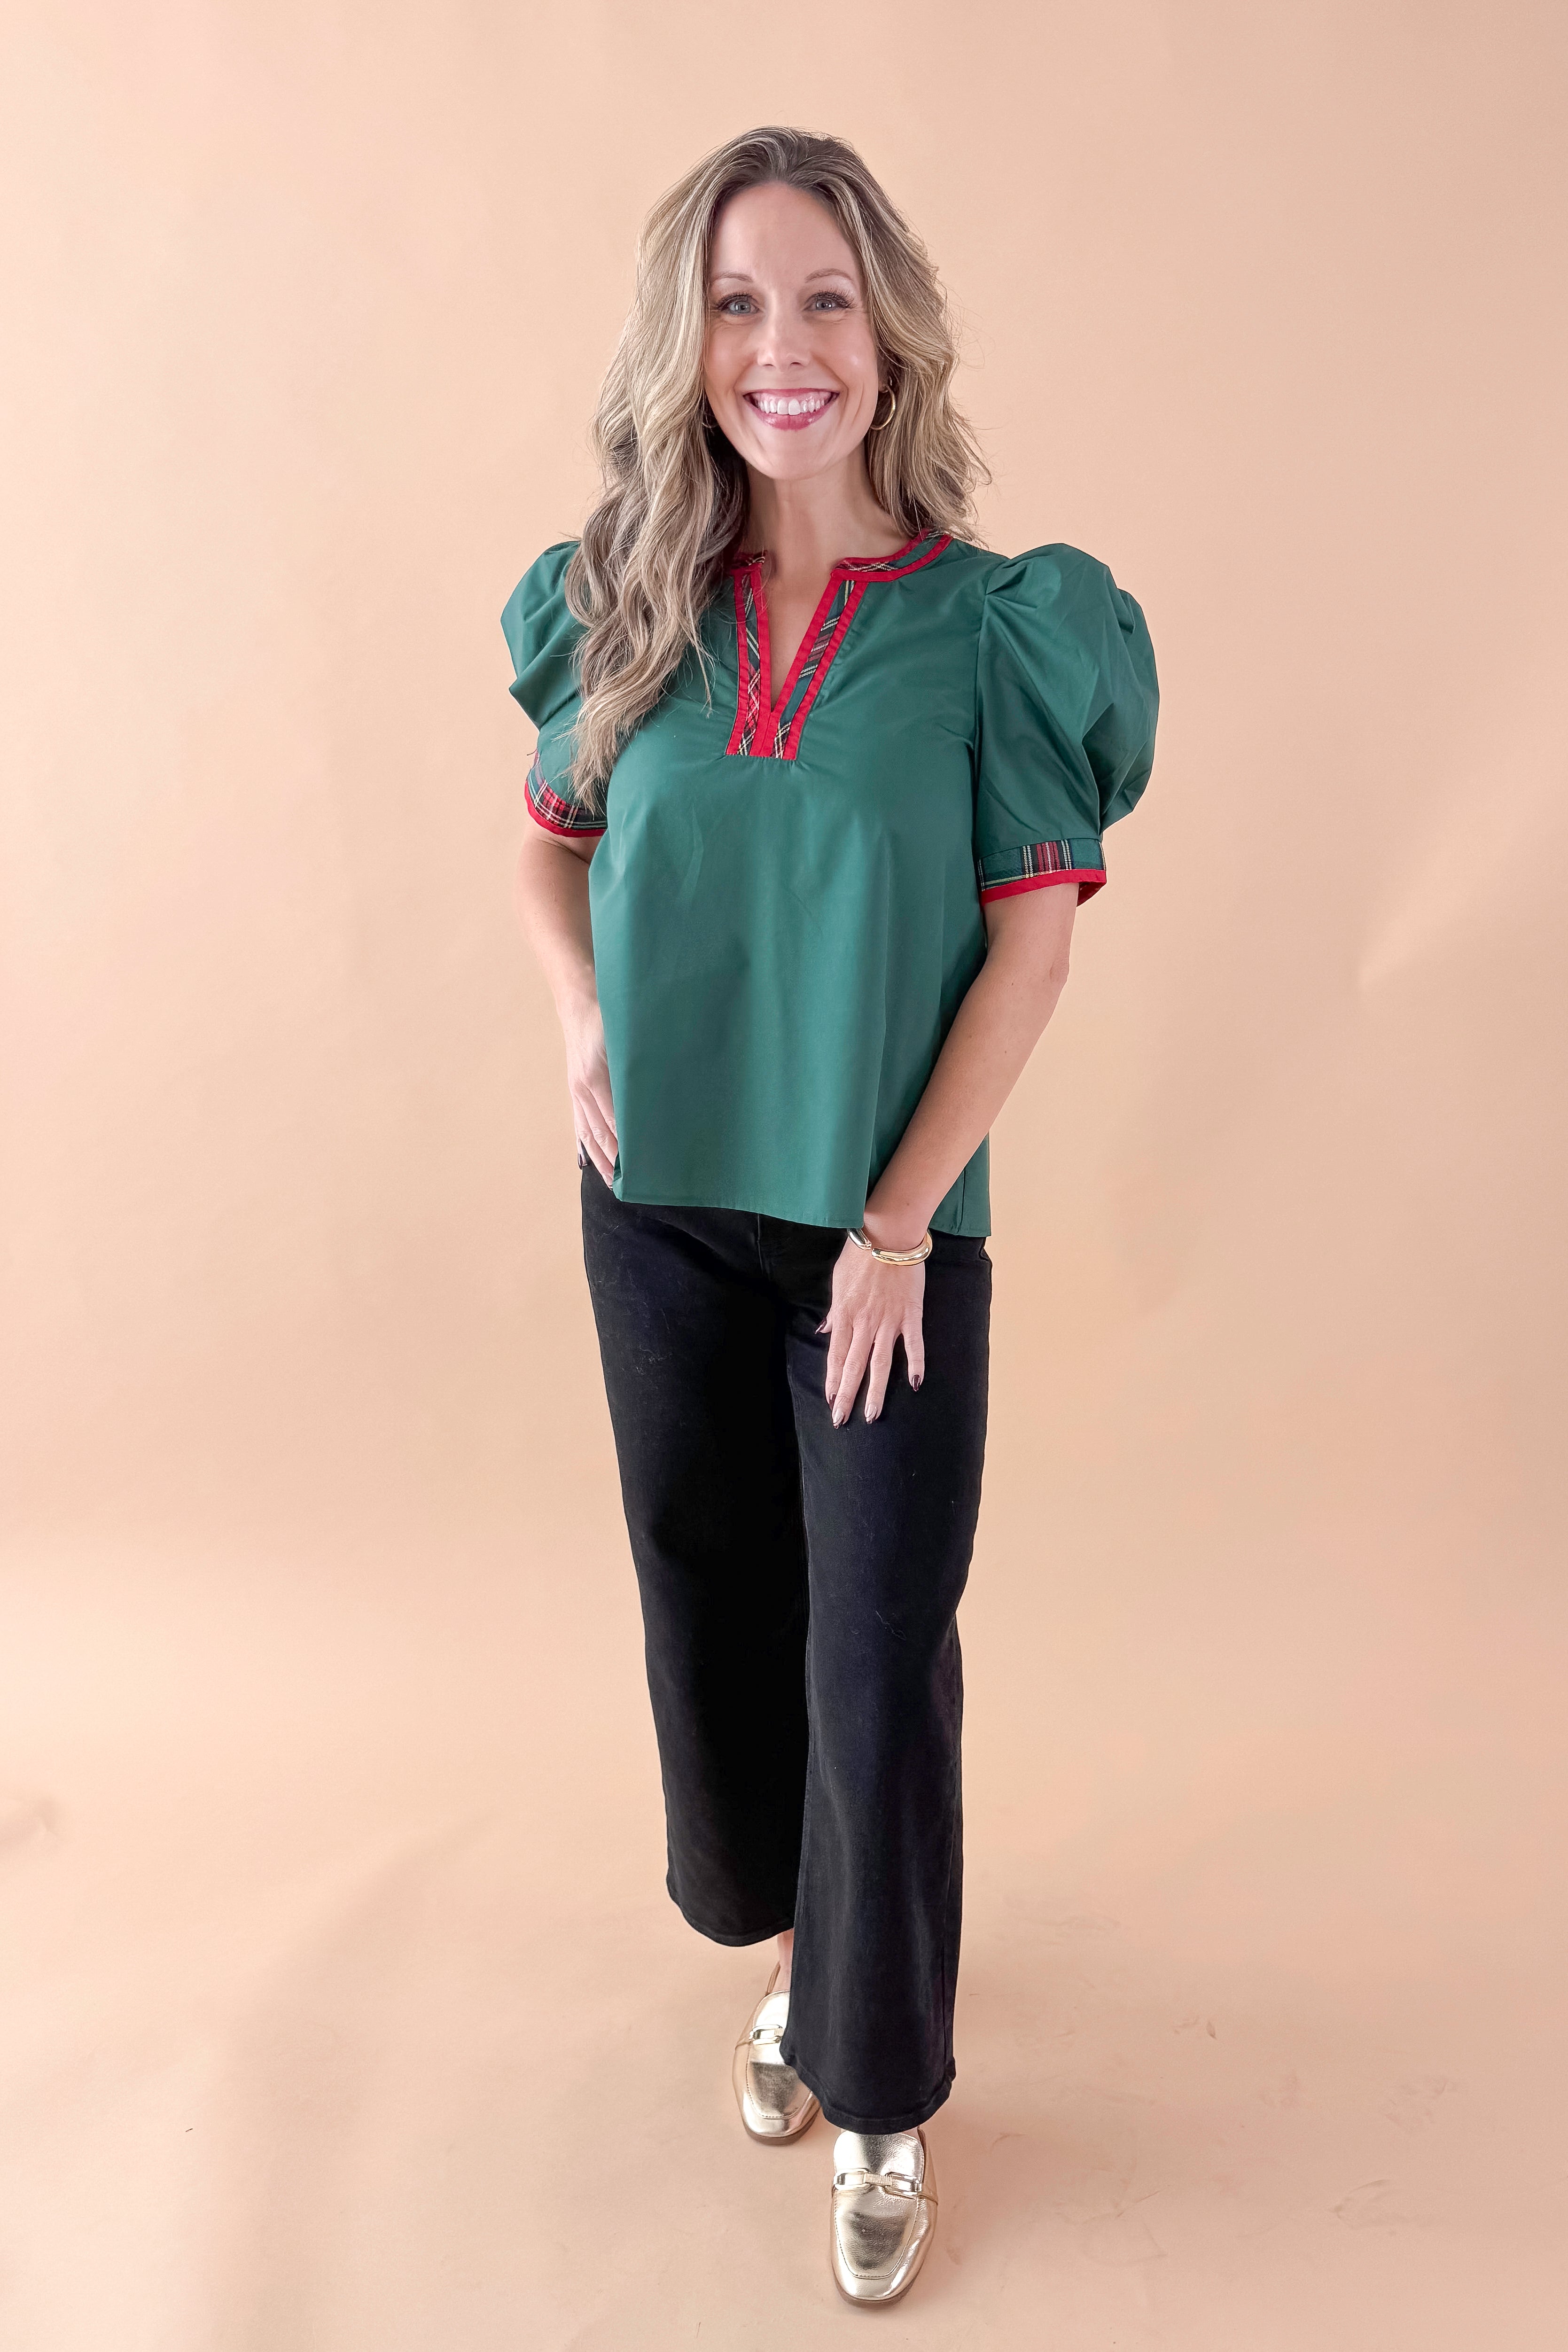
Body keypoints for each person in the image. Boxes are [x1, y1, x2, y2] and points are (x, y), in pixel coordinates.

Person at [505, 125, 1157, 2308]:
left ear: (888, 337)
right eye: (734, 303)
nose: (780, 348)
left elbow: (1031, 949)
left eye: (821, 301)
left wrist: (895, 1225)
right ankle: (794, 1963)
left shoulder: (996, 631)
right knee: (719, 1619)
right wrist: (586, 1013)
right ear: (683, 345)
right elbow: (544, 849)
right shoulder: (621, 592)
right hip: (661, 1206)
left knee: (876, 1653)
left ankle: (880, 2085)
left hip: (876, 1241)